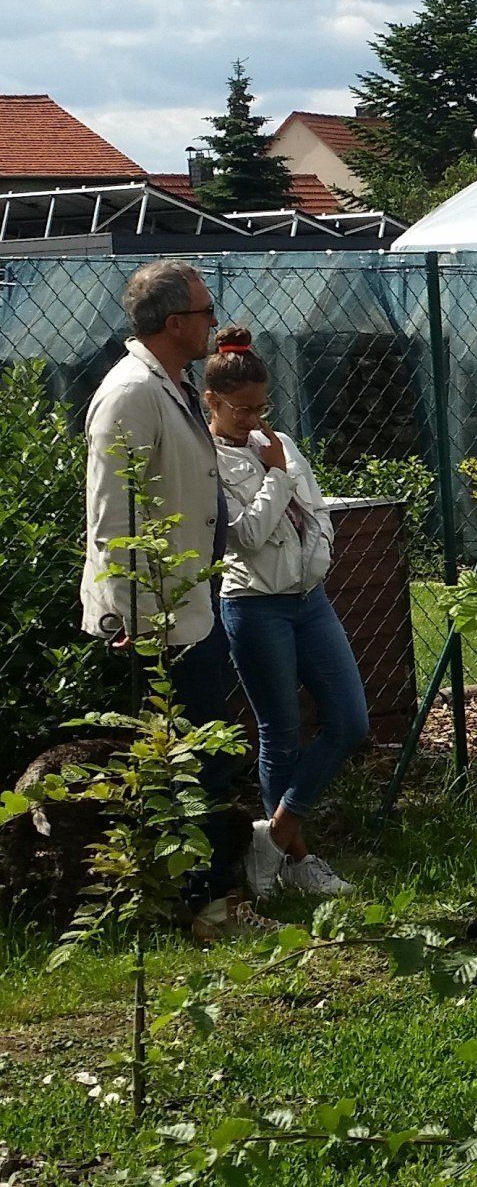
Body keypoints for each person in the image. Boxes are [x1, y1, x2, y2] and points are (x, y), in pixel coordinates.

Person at [81, 260, 270, 940]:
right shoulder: (131, 393)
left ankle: (195, 900)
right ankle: (204, 907)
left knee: (204, 754)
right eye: (204, 312)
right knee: (195, 763)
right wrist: (129, 616)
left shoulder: (175, 385)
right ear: (172, 323)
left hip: (190, 601)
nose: (215, 323)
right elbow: (112, 517)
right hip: (156, 617)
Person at [204, 327, 368, 898]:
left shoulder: (278, 441)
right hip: (254, 605)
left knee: (350, 721)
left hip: (309, 599)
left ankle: (270, 839)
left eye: (261, 407)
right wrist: (274, 474)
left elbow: (315, 507)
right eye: (242, 409)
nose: (254, 419)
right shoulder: (208, 461)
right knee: (281, 732)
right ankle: (294, 861)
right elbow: (245, 536)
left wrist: (320, 551)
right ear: (212, 402)